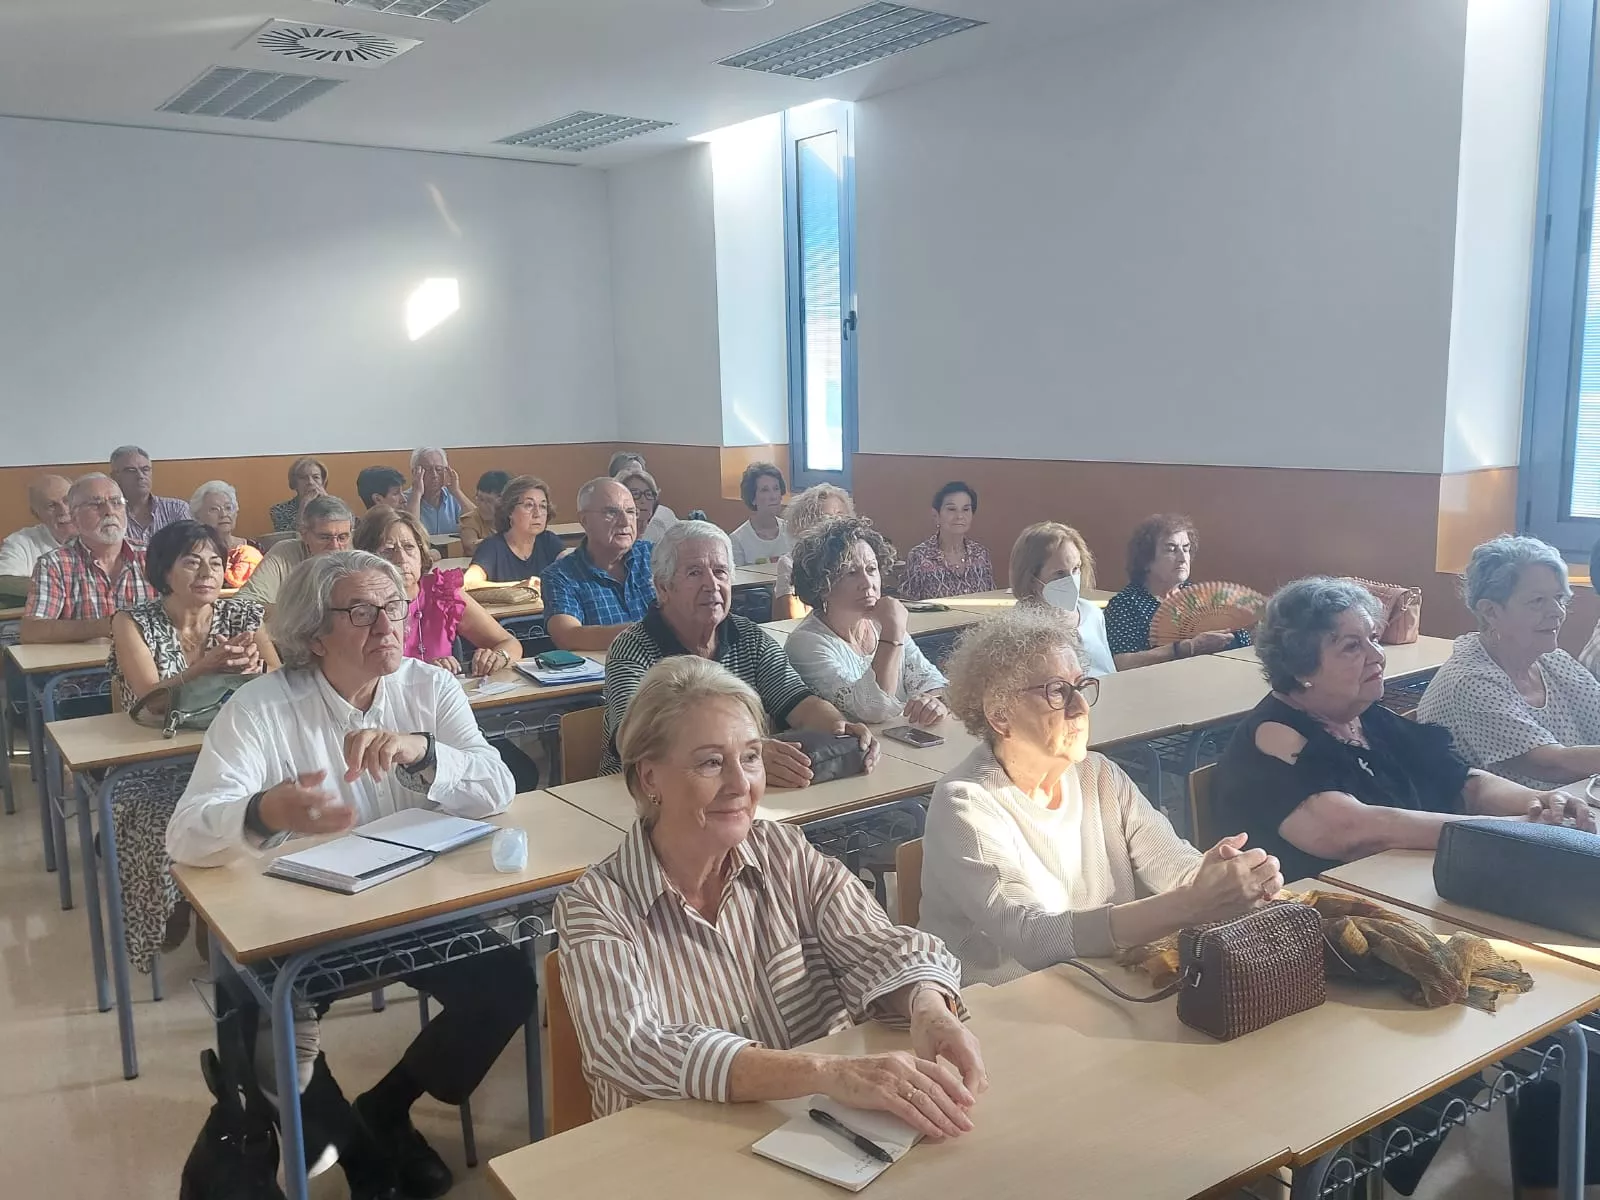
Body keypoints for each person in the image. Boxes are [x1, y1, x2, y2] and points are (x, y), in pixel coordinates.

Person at [166, 550, 532, 1200]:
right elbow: (187, 831)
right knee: (262, 1036)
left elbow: (498, 786)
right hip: (305, 925)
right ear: (313, 634)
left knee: (507, 983)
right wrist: (265, 809)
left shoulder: (429, 687)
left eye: (393, 606)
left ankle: (387, 1108)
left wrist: (425, 754)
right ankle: (365, 1160)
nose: (387, 623)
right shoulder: (261, 708)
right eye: (361, 612)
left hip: (416, 910)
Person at [557, 655, 985, 1130]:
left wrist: (927, 1003)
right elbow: (632, 1049)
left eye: (751, 757)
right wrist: (826, 1073)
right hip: (679, 1149)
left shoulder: (783, 849)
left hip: (814, 1130)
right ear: (649, 777)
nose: (741, 785)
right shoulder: (595, 904)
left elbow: (879, 946)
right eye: (711, 762)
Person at [918, 605, 1283, 986]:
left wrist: (1220, 877)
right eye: (1057, 692)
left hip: (1098, 981)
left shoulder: (1099, 774)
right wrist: (1190, 902)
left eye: (1080, 686)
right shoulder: (965, 803)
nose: (1079, 707)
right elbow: (1031, 937)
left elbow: (1170, 861)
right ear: (1000, 714)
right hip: (998, 1007)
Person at [1216, 576, 1593, 885]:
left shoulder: (1364, 716)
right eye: (1352, 647)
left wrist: (1543, 805)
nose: (1377, 656)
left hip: (1404, 888)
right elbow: (1358, 830)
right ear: (1299, 667)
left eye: (1373, 640)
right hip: (1317, 919)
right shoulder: (1272, 736)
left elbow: (1463, 781)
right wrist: (1510, 830)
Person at [599, 521, 877, 782]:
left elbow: (800, 702)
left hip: (735, 786)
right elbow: (633, 740)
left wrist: (840, 727)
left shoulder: (749, 637)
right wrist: (745, 755)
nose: (712, 584)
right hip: (645, 791)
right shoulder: (633, 647)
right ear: (663, 587)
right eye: (695, 573)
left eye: (720, 572)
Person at [1418, 536, 1600, 788]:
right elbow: (1549, 764)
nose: (1557, 612)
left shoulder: (1554, 661)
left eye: (1559, 598)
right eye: (1538, 601)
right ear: (1490, 612)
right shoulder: (1470, 680)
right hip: (1501, 823)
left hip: (1564, 810)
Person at [784, 516, 949, 726]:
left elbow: (934, 682)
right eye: (851, 573)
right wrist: (892, 632)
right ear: (822, 586)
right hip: (856, 753)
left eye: (872, 569)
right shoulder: (806, 644)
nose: (867, 583)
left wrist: (933, 702)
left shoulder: (880, 623)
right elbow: (873, 709)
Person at [110, 520, 276, 711]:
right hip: (153, 735)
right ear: (164, 571)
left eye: (215, 564)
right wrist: (206, 668)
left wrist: (256, 670)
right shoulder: (133, 622)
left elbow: (282, 678)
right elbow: (151, 703)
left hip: (227, 729)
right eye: (192, 563)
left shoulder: (243, 614)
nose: (207, 573)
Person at [352, 507, 521, 677]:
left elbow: (509, 643)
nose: (402, 559)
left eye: (409, 547)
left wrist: (498, 657)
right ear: (367, 557)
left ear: (421, 553)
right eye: (388, 550)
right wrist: (425, 672)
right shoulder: (359, 608)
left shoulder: (442, 593)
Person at [22, 473, 155, 644]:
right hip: (85, 668)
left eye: (116, 502)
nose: (109, 511)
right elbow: (33, 631)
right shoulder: (54, 564)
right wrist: (106, 626)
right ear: (74, 517)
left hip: (152, 664)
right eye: (96, 504)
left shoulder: (152, 555)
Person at [1104, 513, 1248, 670]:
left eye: (1186, 549)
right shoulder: (1126, 604)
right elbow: (1122, 663)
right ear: (1146, 561)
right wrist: (1184, 648)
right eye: (1171, 550)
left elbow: (1243, 642)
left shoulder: (1200, 595)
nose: (1182, 558)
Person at [539, 478, 655, 652]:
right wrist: (652, 632)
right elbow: (568, 636)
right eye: (611, 512)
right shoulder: (561, 575)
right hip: (612, 673)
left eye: (631, 512)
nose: (625, 522)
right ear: (584, 520)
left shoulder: (656, 557)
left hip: (672, 669)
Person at [1009, 521, 1115, 677]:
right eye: (1059, 573)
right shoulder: (1018, 628)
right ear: (1031, 577)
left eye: (1076, 569)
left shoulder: (1092, 613)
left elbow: (1110, 670)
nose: (1071, 581)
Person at [236, 495, 353, 608]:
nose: (335, 546)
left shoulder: (359, 556)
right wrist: (297, 617)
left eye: (342, 537)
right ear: (304, 534)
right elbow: (243, 605)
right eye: (325, 537)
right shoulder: (284, 553)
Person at [899, 482, 994, 602]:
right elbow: (908, 606)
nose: (959, 516)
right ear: (936, 515)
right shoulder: (919, 556)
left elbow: (990, 600)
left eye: (966, 509)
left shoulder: (981, 554)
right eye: (951, 509)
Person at [463, 475, 564, 588]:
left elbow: (573, 570)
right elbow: (469, 583)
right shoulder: (493, 546)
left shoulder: (549, 541)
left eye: (543, 506)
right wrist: (519, 586)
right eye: (529, 505)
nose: (538, 513)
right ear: (510, 510)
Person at [773, 482, 855, 618]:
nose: (836, 522)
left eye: (841, 515)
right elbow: (794, 617)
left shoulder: (856, 559)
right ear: (807, 523)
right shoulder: (790, 563)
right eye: (827, 517)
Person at [0, 474, 74, 598]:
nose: (64, 510)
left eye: (67, 501)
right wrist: (66, 588)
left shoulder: (100, 532)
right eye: (51, 505)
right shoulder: (21, 542)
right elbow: (4, 581)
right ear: (36, 514)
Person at [109, 445, 189, 544]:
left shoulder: (177, 509)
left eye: (145, 469)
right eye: (131, 471)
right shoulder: (108, 513)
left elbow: (190, 548)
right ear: (114, 477)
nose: (140, 476)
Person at [188, 481, 262, 588]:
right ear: (197, 516)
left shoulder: (254, 548)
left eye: (228, 508)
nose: (223, 514)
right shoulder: (192, 551)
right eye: (214, 509)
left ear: (236, 512)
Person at [729, 461, 791, 567]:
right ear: (753, 498)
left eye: (776, 489)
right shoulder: (737, 540)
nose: (773, 496)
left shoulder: (792, 531)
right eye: (765, 490)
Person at [404, 447, 474, 537]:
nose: (434, 475)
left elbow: (478, 522)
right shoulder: (404, 499)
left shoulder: (453, 496)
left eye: (439, 469)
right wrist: (417, 494)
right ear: (415, 472)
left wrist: (457, 492)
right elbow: (408, 530)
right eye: (428, 470)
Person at [614, 464, 675, 543]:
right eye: (635, 494)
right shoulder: (613, 536)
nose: (643, 500)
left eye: (648, 494)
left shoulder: (662, 527)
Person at [269, 456, 329, 533]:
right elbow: (285, 537)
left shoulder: (339, 506)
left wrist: (328, 504)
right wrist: (303, 506)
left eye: (315, 477)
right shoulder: (279, 509)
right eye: (303, 478)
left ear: (323, 481)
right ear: (294, 483)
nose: (310, 482)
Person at [456, 470, 509, 554]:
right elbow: (471, 548)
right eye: (480, 499)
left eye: (489, 501)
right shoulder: (470, 519)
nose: (482, 505)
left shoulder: (514, 518)